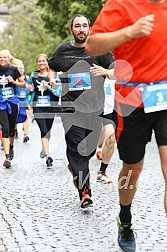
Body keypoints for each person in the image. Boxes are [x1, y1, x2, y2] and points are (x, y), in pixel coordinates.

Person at [85, 1, 167, 252]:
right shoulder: (121, 5)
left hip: (165, 98)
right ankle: (125, 217)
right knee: (133, 167)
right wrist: (129, 32)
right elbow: (91, 45)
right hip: (131, 101)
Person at [48, 14, 114, 208]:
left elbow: (116, 71)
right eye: (77, 26)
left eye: (84, 26)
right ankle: (85, 193)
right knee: (77, 149)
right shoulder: (63, 50)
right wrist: (53, 79)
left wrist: (105, 72)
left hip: (95, 108)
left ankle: (76, 168)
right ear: (72, 30)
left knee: (88, 151)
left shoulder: (100, 49)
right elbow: (52, 66)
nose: (81, 29)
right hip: (70, 107)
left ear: (89, 29)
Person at [29, 54, 62, 167]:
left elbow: (59, 92)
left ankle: (44, 148)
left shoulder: (53, 76)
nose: (42, 63)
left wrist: (49, 87)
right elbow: (30, 90)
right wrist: (30, 89)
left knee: (48, 131)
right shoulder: (33, 76)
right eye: (39, 61)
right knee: (43, 130)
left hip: (50, 107)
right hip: (38, 107)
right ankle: (48, 156)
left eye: (44, 61)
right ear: (37, 63)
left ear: (47, 62)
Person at [90, 64, 115, 184]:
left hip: (108, 111)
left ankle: (102, 172)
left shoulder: (115, 66)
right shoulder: (91, 64)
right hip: (91, 110)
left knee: (110, 138)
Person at [0, 50, 25, 168]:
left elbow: (23, 84)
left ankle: (11, 146)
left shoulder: (14, 70)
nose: (2, 59)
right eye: (0, 57)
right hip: (1, 103)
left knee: (11, 130)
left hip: (12, 102)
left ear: (8, 58)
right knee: (4, 129)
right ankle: (6, 157)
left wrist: (13, 82)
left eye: (4, 57)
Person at [15, 61, 31, 143]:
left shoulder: (27, 78)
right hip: (16, 99)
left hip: (24, 99)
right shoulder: (15, 78)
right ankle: (15, 131)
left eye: (22, 68)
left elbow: (31, 88)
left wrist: (31, 89)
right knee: (15, 116)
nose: (21, 70)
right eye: (19, 68)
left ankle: (25, 134)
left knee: (26, 116)